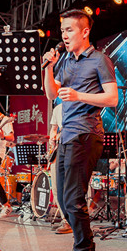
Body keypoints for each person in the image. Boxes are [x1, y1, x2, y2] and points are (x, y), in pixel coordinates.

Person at [43, 9, 118, 251]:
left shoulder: (99, 60)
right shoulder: (65, 60)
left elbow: (112, 98)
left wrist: (78, 95)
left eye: (70, 30)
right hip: (67, 136)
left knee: (74, 199)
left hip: (86, 134)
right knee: (65, 200)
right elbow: (51, 94)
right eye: (62, 30)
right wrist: (48, 67)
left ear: (85, 32)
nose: (64, 35)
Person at [48, 100, 72, 234]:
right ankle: (65, 219)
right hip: (58, 150)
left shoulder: (78, 104)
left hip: (73, 149)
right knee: (57, 188)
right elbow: (53, 128)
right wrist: (52, 137)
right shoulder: (57, 109)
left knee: (71, 187)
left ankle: (73, 220)